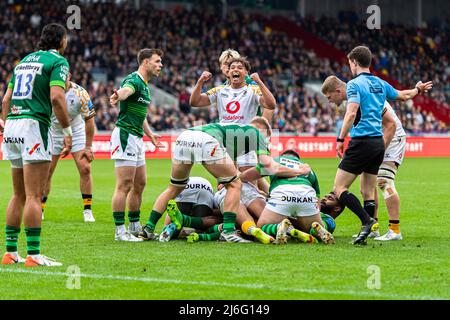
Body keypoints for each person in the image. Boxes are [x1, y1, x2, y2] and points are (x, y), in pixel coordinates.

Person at [140, 116, 310, 243]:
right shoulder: (256, 133)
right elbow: (268, 166)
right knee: (235, 184)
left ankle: (148, 228)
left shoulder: (234, 135)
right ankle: (228, 231)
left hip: (184, 137)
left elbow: (230, 175)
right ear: (263, 131)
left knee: (174, 188)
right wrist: (297, 169)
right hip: (205, 141)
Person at [332, 46, 432, 244]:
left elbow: (352, 114)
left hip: (379, 139)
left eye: (349, 63)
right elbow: (404, 96)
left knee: (342, 187)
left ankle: (385, 226)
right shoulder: (379, 83)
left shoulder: (354, 85)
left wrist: (340, 139)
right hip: (378, 139)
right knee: (366, 189)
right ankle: (372, 228)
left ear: (354, 63)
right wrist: (418, 89)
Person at [1, 23, 72, 266]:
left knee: (18, 194)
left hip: (12, 125)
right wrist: (67, 130)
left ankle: (10, 252)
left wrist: (3, 120)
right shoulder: (58, 62)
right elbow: (56, 97)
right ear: (61, 41)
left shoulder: (23, 61)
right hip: (33, 126)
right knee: (34, 194)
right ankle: (33, 254)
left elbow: (6, 98)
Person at [322, 75, 407, 241]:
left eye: (329, 97)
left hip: (391, 137)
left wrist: (377, 149)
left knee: (383, 181)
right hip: (374, 139)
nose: (330, 101)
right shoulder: (355, 95)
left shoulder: (363, 93)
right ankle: (372, 227)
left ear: (338, 91)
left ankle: (394, 230)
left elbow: (391, 124)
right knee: (366, 189)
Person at [109, 48, 163, 242]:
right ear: (145, 62)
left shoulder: (145, 85)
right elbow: (126, 91)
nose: (160, 65)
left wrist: (150, 135)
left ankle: (134, 226)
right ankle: (119, 231)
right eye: (157, 61)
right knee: (124, 185)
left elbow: (140, 115)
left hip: (137, 137)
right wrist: (119, 95)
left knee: (140, 183)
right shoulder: (133, 80)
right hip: (125, 136)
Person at [240, 149, 335, 245]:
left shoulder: (276, 161)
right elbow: (317, 201)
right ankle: (319, 229)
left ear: (283, 155)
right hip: (307, 195)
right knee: (308, 228)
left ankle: (278, 227)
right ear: (297, 159)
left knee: (261, 226)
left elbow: (246, 176)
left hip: (283, 194)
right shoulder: (308, 169)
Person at [42, 75, 96, 222]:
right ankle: (40, 208)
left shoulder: (80, 93)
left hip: (76, 131)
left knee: (85, 168)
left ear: (69, 77)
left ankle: (87, 210)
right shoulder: (46, 91)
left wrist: (88, 147)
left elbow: (90, 121)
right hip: (53, 131)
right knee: (47, 172)